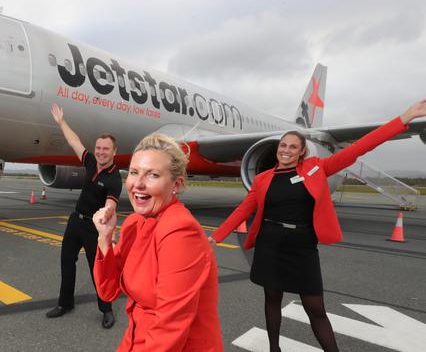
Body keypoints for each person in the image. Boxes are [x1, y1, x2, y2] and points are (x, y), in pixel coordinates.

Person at [209, 99, 426, 352]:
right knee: (271, 300)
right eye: (282, 145)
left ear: (302, 151)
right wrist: (217, 236)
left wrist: (405, 118)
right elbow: (243, 209)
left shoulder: (316, 169)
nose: (286, 150)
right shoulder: (263, 179)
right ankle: (274, 349)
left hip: (302, 247)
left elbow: (361, 147)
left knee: (316, 309)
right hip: (270, 245)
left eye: (293, 147)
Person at [93, 133, 223, 351]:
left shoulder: (181, 230)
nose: (138, 184)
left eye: (152, 175)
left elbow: (170, 326)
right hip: (137, 339)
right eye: (134, 172)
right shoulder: (135, 223)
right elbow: (108, 291)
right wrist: (105, 238)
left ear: (176, 184)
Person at [45, 103, 122, 329]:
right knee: (66, 263)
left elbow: (110, 206)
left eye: (105, 149)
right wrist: (61, 122)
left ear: (114, 152)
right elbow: (74, 141)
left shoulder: (114, 178)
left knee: (97, 270)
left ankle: (106, 309)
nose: (100, 152)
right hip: (75, 221)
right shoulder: (90, 162)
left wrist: (106, 221)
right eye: (98, 147)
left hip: (93, 230)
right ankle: (65, 303)